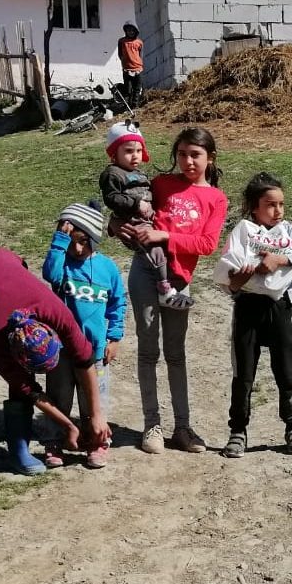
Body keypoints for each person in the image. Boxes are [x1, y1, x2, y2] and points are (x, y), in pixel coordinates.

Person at [0, 247, 111, 490]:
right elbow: (29, 389)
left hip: (5, 262)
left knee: (21, 374)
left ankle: (19, 448)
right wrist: (68, 425)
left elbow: (85, 361)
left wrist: (96, 417)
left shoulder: (58, 313)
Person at [109, 127, 229, 455]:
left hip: (179, 281)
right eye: (182, 154)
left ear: (210, 158)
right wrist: (113, 225)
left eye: (196, 155)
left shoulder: (216, 198)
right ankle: (152, 426)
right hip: (144, 273)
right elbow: (127, 206)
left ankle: (183, 427)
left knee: (176, 354)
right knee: (148, 350)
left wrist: (166, 237)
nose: (188, 161)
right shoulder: (161, 184)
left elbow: (207, 244)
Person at [212, 172, 292, 458]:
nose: (278, 210)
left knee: (287, 371)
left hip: (281, 308)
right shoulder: (243, 231)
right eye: (270, 204)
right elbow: (225, 274)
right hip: (248, 308)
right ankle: (237, 431)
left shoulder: (290, 232)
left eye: (281, 204)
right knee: (243, 373)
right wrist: (239, 277)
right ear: (254, 206)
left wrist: (279, 259)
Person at [41, 202, 126, 469]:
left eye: (83, 242)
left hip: (95, 350)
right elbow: (49, 275)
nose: (77, 249)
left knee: (94, 399)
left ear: (93, 239)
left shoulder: (107, 268)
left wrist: (114, 337)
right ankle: (57, 441)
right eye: (72, 242)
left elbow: (117, 304)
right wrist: (58, 242)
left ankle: (96, 442)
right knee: (59, 397)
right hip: (61, 350)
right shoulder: (62, 264)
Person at [99, 122, 190, 309]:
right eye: (128, 151)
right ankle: (165, 289)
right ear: (114, 153)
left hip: (147, 221)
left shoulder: (138, 173)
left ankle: (165, 280)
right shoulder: (113, 173)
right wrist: (135, 204)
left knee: (162, 246)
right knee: (155, 249)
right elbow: (111, 198)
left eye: (139, 151)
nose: (135, 156)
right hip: (133, 223)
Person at [116, 23, 144, 105]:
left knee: (137, 88)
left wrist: (139, 64)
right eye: (128, 30)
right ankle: (127, 104)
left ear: (136, 31)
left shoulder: (139, 42)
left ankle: (135, 105)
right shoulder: (122, 41)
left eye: (132, 30)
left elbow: (140, 55)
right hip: (127, 69)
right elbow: (120, 54)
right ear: (125, 31)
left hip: (138, 69)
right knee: (128, 89)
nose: (131, 32)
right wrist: (125, 62)